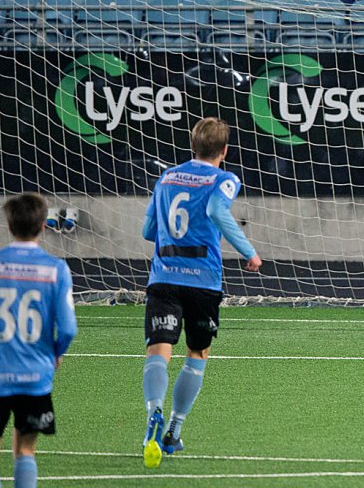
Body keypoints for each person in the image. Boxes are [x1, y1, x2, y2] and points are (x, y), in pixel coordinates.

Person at [140, 117, 263, 468]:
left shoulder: (165, 178)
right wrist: (249, 252)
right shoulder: (224, 179)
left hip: (163, 277)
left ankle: (154, 412)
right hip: (202, 281)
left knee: (158, 350)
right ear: (224, 151)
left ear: (192, 145)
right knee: (197, 352)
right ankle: (174, 431)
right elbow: (215, 210)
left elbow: (148, 230)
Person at [0, 193, 76, 488]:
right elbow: (68, 329)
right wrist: (55, 353)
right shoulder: (56, 270)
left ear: (9, 226)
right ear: (42, 227)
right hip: (35, 376)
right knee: (25, 450)